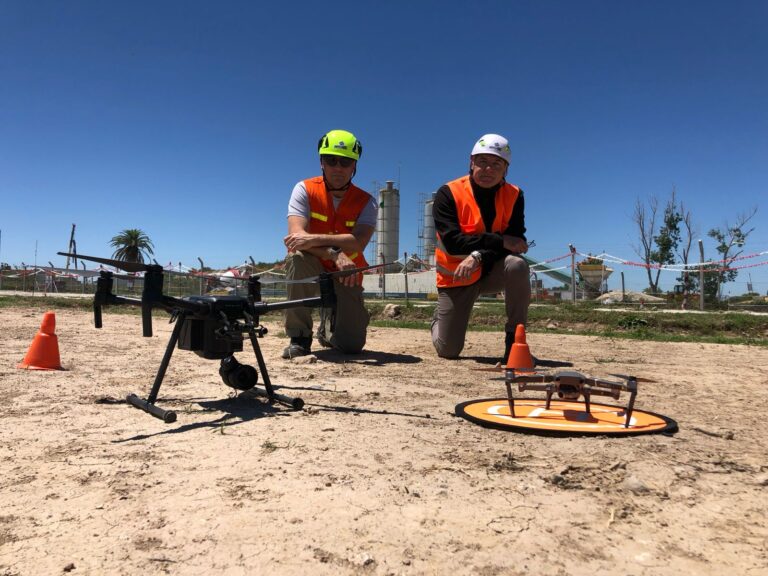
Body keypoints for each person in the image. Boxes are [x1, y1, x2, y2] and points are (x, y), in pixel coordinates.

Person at [431, 133, 531, 360]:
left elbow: (514, 242)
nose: (488, 169)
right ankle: (438, 318)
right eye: (482, 162)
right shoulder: (448, 193)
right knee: (448, 351)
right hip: (456, 277)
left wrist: (477, 254)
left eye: (497, 164)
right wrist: (500, 241)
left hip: (490, 271)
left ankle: (514, 340)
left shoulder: (515, 195)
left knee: (517, 265)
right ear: (471, 162)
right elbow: (453, 242)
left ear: (506, 169)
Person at [281, 129, 378, 359]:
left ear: (354, 166)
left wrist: (313, 238)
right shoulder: (303, 189)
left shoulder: (368, 202)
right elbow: (296, 239)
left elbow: (358, 243)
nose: (338, 167)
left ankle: (328, 327)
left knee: (351, 347)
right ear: (321, 162)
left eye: (345, 162)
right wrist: (335, 253)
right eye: (331, 160)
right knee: (296, 258)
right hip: (313, 264)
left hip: (348, 272)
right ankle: (299, 337)